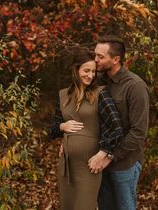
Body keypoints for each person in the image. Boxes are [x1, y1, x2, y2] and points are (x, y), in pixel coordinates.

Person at [49, 49, 123, 210]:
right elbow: (52, 130)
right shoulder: (63, 95)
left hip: (89, 166)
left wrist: (102, 153)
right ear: (76, 70)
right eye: (86, 70)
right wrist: (62, 126)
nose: (90, 75)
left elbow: (116, 127)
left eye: (93, 72)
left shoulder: (100, 94)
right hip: (67, 166)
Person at [89, 35, 149, 210]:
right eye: (95, 55)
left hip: (125, 164)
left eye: (101, 57)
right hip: (100, 163)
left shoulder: (135, 87)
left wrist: (109, 156)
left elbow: (138, 132)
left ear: (116, 59)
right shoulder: (98, 82)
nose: (95, 60)